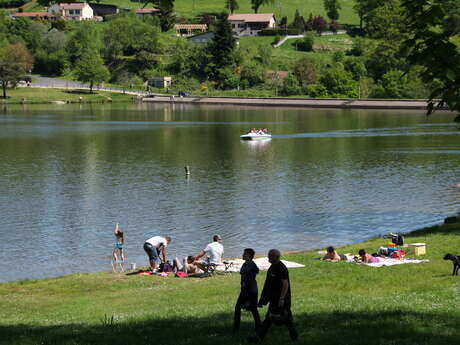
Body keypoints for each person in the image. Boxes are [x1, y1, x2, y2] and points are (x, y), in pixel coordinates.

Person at [249, 249, 298, 342]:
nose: (268, 257)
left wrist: (282, 298)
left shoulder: (281, 268)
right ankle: (258, 337)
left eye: (270, 255)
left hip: (281, 299)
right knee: (269, 318)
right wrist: (263, 300)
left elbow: (285, 283)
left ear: (275, 257)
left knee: (286, 319)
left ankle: (294, 336)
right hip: (274, 298)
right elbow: (269, 284)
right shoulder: (272, 267)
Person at [234, 248, 261, 333]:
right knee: (252, 309)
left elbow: (242, 271)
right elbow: (256, 270)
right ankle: (258, 326)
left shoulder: (249, 263)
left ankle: (236, 328)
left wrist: (247, 269)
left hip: (250, 290)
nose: (242, 255)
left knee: (240, 307)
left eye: (244, 253)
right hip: (248, 289)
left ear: (249, 255)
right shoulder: (249, 263)